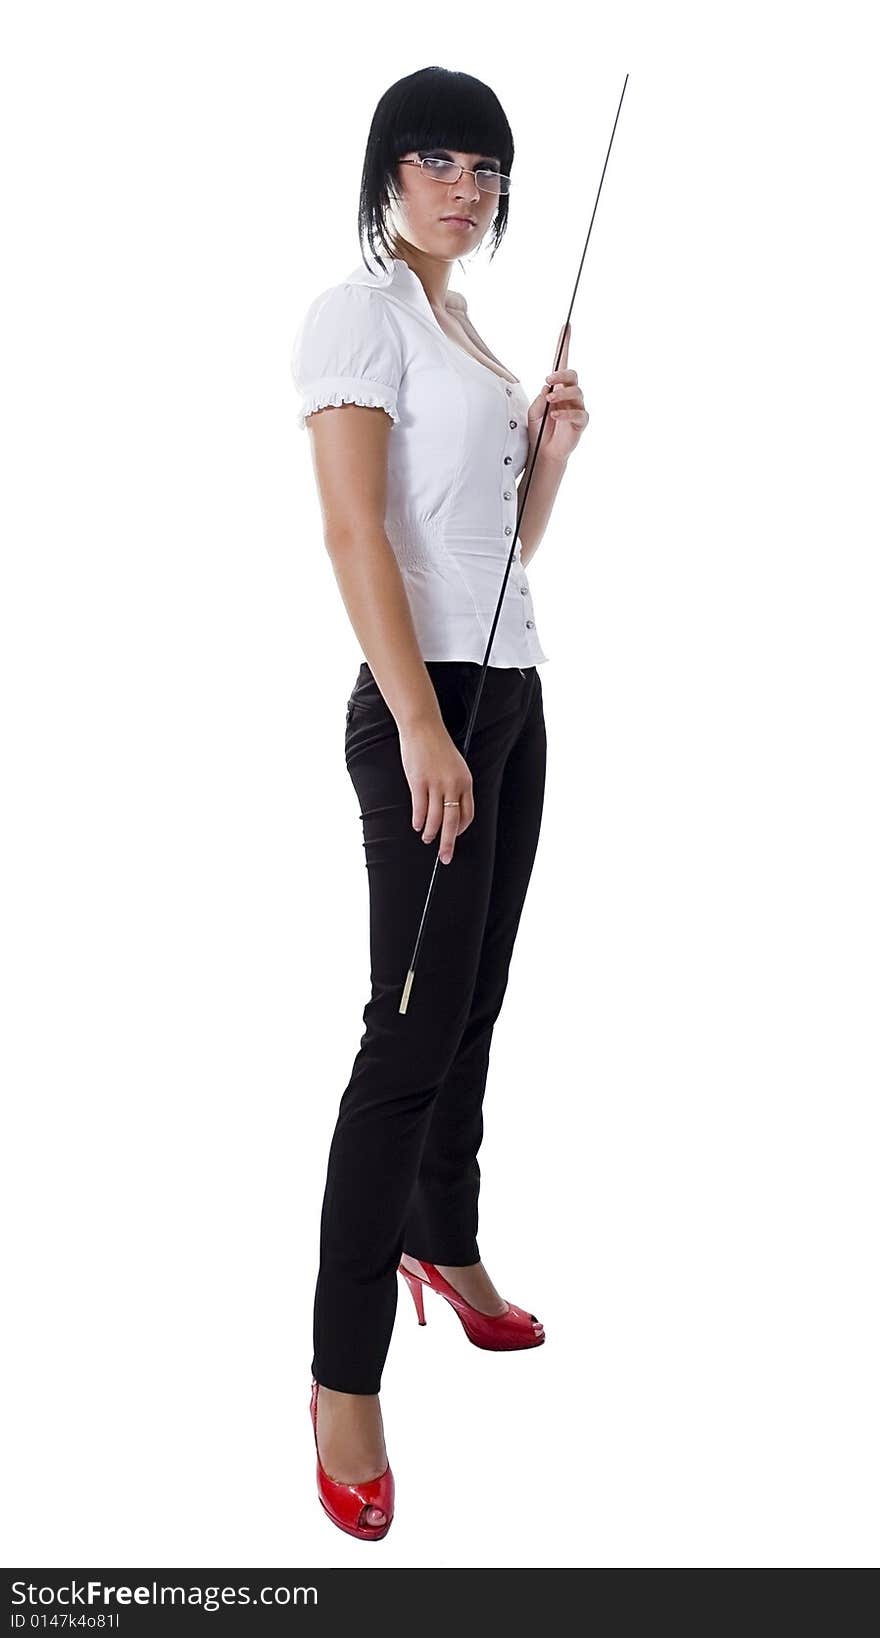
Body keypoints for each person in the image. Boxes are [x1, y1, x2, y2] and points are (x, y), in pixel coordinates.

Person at [289, 66, 588, 1541]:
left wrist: (553, 459)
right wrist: (416, 720)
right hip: (431, 708)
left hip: (511, 695)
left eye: (486, 166)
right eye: (437, 159)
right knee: (405, 1039)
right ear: (388, 173)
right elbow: (356, 529)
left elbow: (489, 544)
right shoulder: (362, 313)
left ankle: (446, 1244)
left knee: (474, 1005)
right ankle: (343, 1378)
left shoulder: (464, 325)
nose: (465, 186)